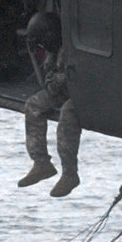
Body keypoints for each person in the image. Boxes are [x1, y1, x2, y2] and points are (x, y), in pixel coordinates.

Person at [18, 11, 81, 197]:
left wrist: (59, 79)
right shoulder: (55, 50)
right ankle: (41, 163)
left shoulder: (73, 47)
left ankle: (70, 174)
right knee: (33, 105)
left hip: (82, 92)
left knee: (68, 114)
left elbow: (79, 74)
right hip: (62, 91)